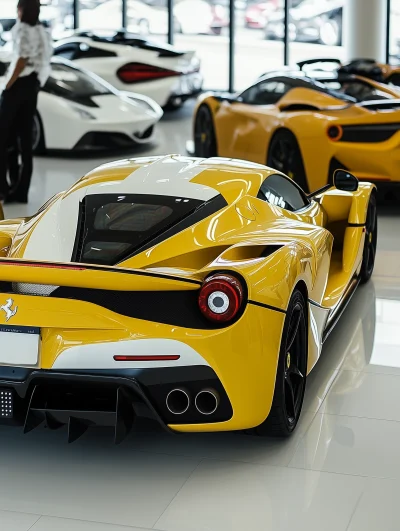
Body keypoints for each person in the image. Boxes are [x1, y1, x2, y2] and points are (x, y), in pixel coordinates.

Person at [0, 0, 52, 204]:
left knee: (3, 138)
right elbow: (44, 61)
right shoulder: (42, 31)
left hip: (18, 86)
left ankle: (3, 189)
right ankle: (20, 192)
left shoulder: (21, 29)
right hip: (32, 87)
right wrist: (36, 83)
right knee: (24, 141)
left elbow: (21, 60)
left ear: (22, 10)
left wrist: (8, 85)